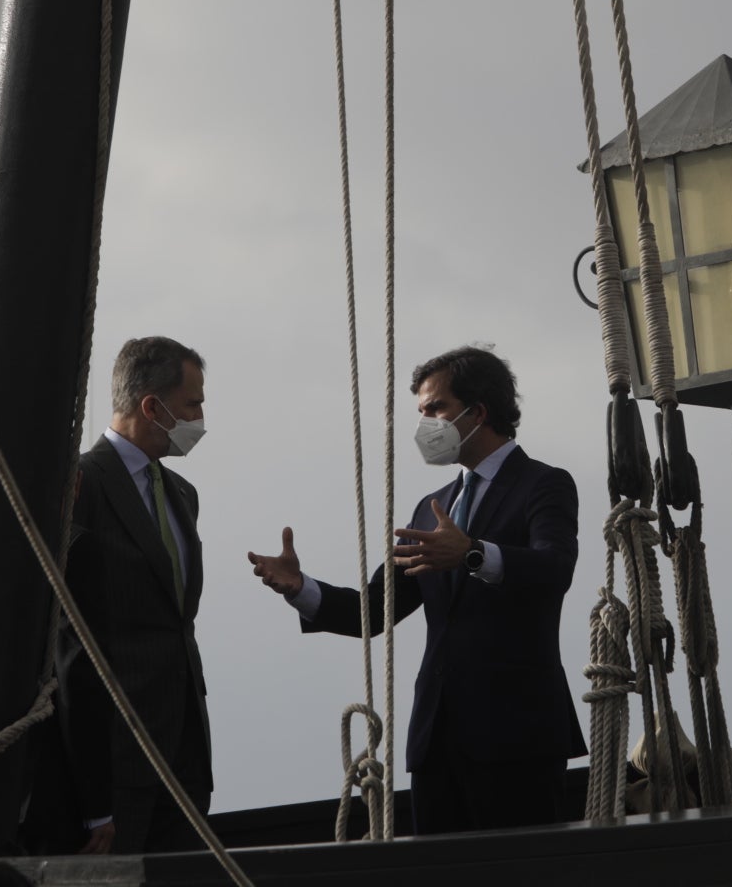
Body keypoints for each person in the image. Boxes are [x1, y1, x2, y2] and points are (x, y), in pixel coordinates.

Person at [248, 345, 586, 834]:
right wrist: (300, 588)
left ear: (479, 412)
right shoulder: (433, 507)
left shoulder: (543, 484)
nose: (425, 423)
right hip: (437, 740)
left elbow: (554, 568)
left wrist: (472, 552)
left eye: (436, 409)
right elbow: (374, 609)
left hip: (518, 735)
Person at [60, 335, 211, 853]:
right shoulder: (78, 484)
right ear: (153, 406)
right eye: (193, 403)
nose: (201, 416)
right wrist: (93, 800)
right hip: (117, 762)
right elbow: (71, 644)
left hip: (184, 760)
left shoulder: (182, 495)